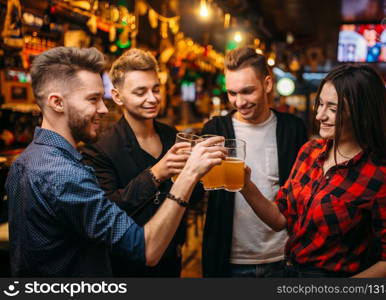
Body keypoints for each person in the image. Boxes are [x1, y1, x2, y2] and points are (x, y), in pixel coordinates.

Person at [5, 47, 225, 277]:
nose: (103, 108)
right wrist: (185, 174)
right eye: (93, 99)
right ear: (57, 103)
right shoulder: (63, 173)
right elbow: (146, 248)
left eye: (102, 97)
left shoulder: (26, 160)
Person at [240, 64, 386, 277]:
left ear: (362, 113)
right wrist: (245, 184)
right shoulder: (310, 152)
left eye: (333, 108)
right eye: (319, 104)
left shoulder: (384, 176)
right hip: (288, 271)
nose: (320, 115)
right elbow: (280, 219)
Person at [81, 48, 203, 277]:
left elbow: (193, 198)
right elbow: (107, 208)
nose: (152, 98)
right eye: (140, 92)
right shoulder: (100, 147)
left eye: (156, 89)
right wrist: (156, 172)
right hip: (125, 267)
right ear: (118, 96)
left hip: (172, 259)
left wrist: (199, 172)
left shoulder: (172, 136)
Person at [201, 47, 307, 277]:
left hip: (282, 256)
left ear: (267, 84)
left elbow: (300, 196)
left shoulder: (293, 129)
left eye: (247, 91)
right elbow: (200, 195)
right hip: (229, 259)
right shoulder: (215, 129)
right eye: (232, 93)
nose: (239, 102)